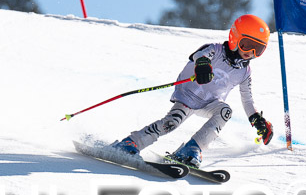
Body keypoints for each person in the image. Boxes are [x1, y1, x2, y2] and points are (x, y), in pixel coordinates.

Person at [111, 14, 274, 168]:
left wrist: (256, 119)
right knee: (171, 124)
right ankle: (130, 143)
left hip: (210, 103)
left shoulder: (245, 72)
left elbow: (247, 100)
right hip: (187, 97)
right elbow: (200, 55)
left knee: (225, 111)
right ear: (234, 38)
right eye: (247, 45)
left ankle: (191, 150)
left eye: (258, 50)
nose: (250, 53)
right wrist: (203, 64)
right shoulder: (216, 50)